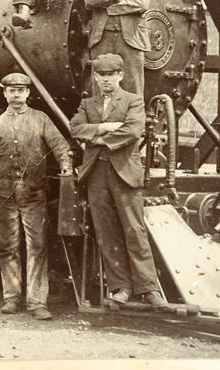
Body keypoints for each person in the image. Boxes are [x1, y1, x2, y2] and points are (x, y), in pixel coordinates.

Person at [69, 53, 165, 308]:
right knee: (106, 232)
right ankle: (121, 287)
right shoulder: (87, 104)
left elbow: (134, 129)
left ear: (121, 75)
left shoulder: (133, 101)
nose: (106, 80)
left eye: (111, 75)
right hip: (96, 175)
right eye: (101, 75)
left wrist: (98, 138)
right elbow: (76, 128)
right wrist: (104, 128)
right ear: (95, 77)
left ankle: (149, 289)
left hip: (124, 173)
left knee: (135, 230)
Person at [0, 72, 72, 320]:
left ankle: (36, 302)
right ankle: (11, 298)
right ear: (5, 94)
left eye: (21, 91)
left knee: (37, 247)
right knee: (7, 248)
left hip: (34, 196)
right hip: (4, 197)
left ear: (28, 94)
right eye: (12, 91)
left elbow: (60, 144)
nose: (17, 95)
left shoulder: (41, 120)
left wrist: (65, 163)